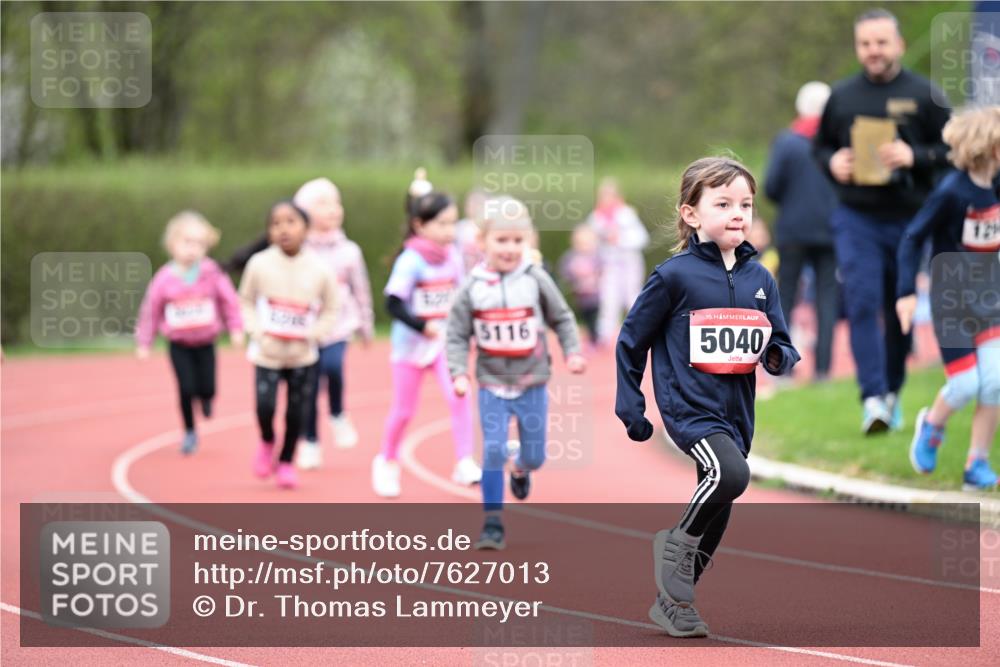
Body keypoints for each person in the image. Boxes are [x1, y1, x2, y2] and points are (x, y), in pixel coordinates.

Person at [615, 157, 799, 637]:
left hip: (737, 410)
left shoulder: (761, 278)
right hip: (689, 407)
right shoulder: (674, 276)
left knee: (721, 505)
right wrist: (630, 403)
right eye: (724, 204)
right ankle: (674, 543)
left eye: (746, 205)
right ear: (692, 214)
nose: (738, 213)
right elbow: (631, 340)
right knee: (732, 474)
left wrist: (778, 358)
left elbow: (780, 341)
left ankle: (673, 602)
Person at [813, 8, 952, 434]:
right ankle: (871, 397)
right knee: (861, 300)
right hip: (857, 216)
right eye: (866, 44)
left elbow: (954, 151)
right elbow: (818, 149)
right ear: (858, 48)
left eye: (881, 43)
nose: (873, 51)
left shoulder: (926, 94)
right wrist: (833, 161)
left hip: (910, 219)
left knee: (899, 311)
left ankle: (891, 391)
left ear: (899, 45)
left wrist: (917, 156)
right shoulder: (841, 97)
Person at [446, 196, 586, 549]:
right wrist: (459, 372)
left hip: (532, 380)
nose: (510, 249)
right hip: (491, 381)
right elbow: (457, 334)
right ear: (483, 242)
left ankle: (521, 468)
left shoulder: (535, 279)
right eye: (501, 240)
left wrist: (572, 353)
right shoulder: (473, 287)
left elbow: (562, 317)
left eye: (517, 241)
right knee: (492, 450)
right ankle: (492, 522)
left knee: (535, 456)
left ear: (528, 242)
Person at [896, 106, 1000, 491]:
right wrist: (905, 292)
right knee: (965, 386)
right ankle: (932, 425)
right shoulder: (951, 192)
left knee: (994, 382)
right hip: (951, 300)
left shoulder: (998, 182)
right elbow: (912, 237)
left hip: (990, 300)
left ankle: (978, 463)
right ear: (991, 148)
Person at [373, 173, 480, 498]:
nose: (451, 231)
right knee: (404, 411)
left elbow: (461, 295)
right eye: (443, 224)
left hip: (445, 345)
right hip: (410, 348)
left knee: (459, 394)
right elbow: (391, 303)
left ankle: (464, 460)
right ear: (421, 225)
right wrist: (422, 325)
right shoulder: (410, 261)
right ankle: (386, 460)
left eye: (453, 223)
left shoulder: (452, 257)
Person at [238, 201, 339, 489]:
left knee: (297, 413)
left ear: (306, 228)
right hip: (267, 353)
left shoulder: (320, 269)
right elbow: (244, 300)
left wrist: (316, 333)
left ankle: (285, 461)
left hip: (302, 356)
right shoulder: (259, 264)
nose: (284, 229)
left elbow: (332, 307)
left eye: (291, 221)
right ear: (269, 232)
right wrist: (256, 331)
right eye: (276, 223)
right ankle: (268, 440)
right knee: (265, 408)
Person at [136, 211, 244, 455]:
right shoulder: (164, 279)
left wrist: (236, 329)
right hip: (179, 344)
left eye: (200, 244)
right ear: (172, 245)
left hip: (206, 342)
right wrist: (145, 342)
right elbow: (151, 311)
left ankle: (206, 399)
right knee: (185, 388)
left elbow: (229, 301)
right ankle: (189, 432)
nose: (193, 249)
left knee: (208, 387)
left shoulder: (212, 272)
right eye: (187, 242)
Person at [293, 178, 374, 469]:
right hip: (306, 330)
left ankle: (338, 413)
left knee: (333, 368)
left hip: (340, 324)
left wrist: (366, 324)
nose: (332, 209)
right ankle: (310, 441)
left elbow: (360, 288)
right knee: (309, 389)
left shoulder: (349, 250)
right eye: (322, 203)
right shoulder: (298, 251)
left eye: (335, 202)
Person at [766, 81, 840, 381]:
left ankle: (783, 368)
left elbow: (771, 187)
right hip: (830, 230)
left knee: (786, 297)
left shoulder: (786, 142)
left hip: (793, 230)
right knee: (827, 297)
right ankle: (823, 370)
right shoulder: (837, 143)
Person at [586, 178, 649, 345]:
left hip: (629, 263)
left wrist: (620, 239)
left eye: (609, 195)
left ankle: (640, 333)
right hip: (609, 265)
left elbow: (642, 238)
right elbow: (590, 244)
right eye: (603, 195)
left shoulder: (626, 214)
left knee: (632, 298)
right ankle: (605, 337)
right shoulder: (595, 217)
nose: (606, 198)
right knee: (608, 300)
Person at [558, 224, 603, 346]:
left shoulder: (597, 256)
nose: (584, 246)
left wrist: (596, 279)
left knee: (596, 317)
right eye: (581, 243)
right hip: (581, 297)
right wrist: (573, 278)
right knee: (585, 318)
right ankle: (590, 336)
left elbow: (604, 270)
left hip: (596, 296)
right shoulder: (571, 257)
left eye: (587, 243)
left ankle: (597, 338)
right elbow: (564, 270)